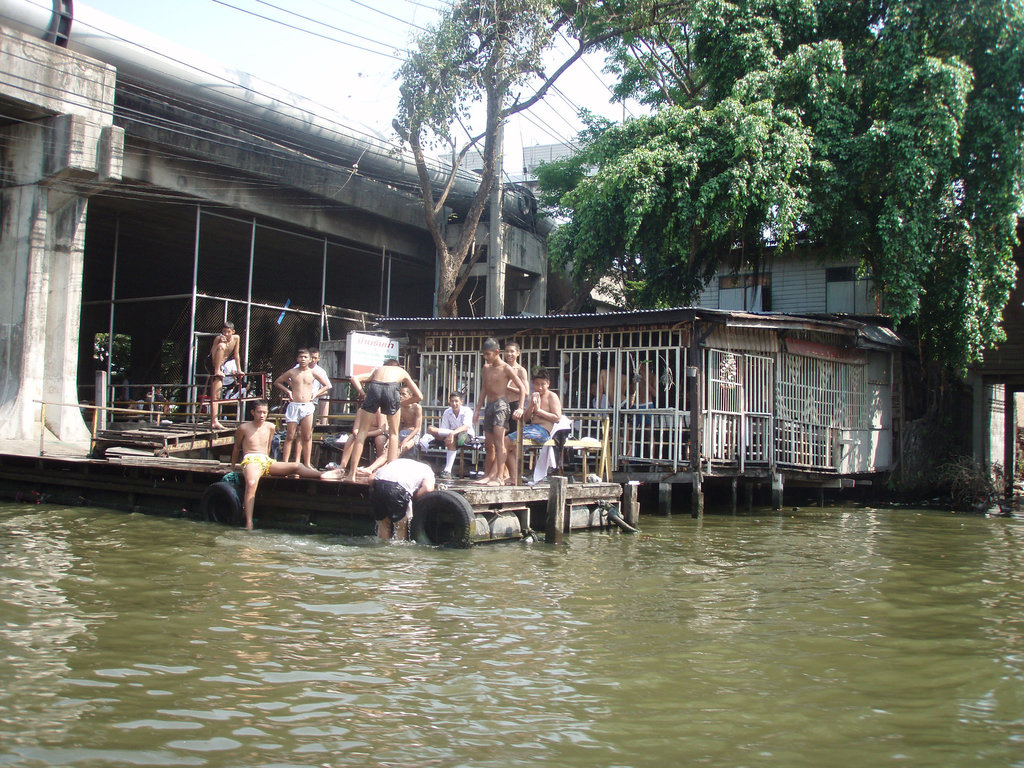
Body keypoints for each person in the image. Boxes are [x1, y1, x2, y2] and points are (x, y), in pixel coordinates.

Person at [230, 399, 342, 530]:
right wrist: (233, 466)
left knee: (296, 466)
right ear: (252, 412)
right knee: (252, 483)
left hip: (266, 460)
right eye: (259, 412)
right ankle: (249, 522)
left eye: (264, 413)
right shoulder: (243, 428)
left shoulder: (270, 427)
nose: (262, 415)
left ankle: (323, 474)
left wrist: (267, 462)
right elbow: (237, 448)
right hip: (251, 459)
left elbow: (268, 447)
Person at [343, 359, 423, 481]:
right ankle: (391, 476)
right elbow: (419, 396)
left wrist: (363, 394)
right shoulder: (402, 372)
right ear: (398, 366)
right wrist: (400, 403)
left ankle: (351, 475)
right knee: (394, 434)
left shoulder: (377, 370)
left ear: (385, 366)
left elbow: (354, 378)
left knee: (361, 433)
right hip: (391, 390)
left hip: (374, 388)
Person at [473, 337, 524, 486]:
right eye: (484, 354)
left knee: (499, 442)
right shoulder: (486, 368)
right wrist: (477, 410)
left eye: (488, 354)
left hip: (501, 405)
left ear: (496, 352)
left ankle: (500, 477)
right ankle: (489, 475)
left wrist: (520, 407)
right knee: (489, 444)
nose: (486, 357)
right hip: (489, 406)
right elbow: (484, 389)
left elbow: (522, 388)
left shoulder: (506, 368)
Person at [273, 348, 332, 468]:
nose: (303, 359)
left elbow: (327, 385)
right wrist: (288, 391)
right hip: (294, 405)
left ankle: (306, 463)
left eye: (305, 357)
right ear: (297, 359)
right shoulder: (292, 372)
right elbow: (277, 382)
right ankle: (285, 463)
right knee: (290, 435)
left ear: (310, 359)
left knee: (306, 436)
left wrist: (315, 394)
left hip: (308, 406)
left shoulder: (314, 372)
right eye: (301, 357)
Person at [505, 367, 564, 485]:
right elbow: (526, 418)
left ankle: (506, 475)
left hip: (542, 432)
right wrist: (532, 405)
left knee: (505, 442)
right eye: (537, 384)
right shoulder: (534, 396)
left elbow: (557, 417)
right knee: (510, 447)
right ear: (533, 384)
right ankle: (514, 477)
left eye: (543, 384)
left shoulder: (552, 396)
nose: (540, 387)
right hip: (530, 428)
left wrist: (538, 410)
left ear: (548, 384)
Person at [368, 457, 435, 540]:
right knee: (400, 527)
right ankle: (399, 549)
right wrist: (413, 498)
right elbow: (428, 488)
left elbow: (371, 479)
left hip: (378, 486)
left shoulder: (397, 461)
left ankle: (382, 549)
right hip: (398, 489)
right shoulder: (427, 469)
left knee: (384, 525)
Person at [419, 392, 474, 478]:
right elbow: (444, 428)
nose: (454, 403)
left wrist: (452, 433)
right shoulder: (447, 412)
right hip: (450, 435)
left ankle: (447, 470)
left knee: (454, 438)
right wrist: (449, 434)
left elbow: (466, 427)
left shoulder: (467, 411)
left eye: (456, 401)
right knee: (431, 428)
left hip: (465, 436)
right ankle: (447, 471)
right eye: (452, 401)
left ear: (461, 402)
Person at [209, 322, 243, 430]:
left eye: (228, 332)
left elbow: (236, 354)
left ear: (233, 332)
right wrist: (216, 368)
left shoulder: (236, 338)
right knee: (221, 345)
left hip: (222, 364)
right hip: (212, 363)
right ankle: (214, 421)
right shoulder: (218, 339)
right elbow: (212, 354)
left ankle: (214, 421)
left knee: (217, 395)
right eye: (224, 332)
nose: (226, 334)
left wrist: (239, 370)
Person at [309, 348, 332, 426]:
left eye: (315, 358)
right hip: (297, 402)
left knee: (309, 430)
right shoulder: (297, 367)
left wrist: (314, 394)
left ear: (319, 358)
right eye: (311, 357)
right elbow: (288, 380)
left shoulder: (320, 371)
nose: (313, 360)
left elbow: (326, 389)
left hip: (311, 403)